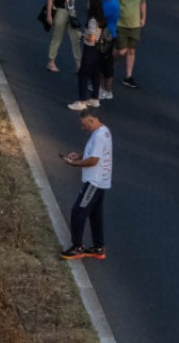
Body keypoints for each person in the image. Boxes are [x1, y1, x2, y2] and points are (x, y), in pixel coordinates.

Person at [60, 107, 112, 260]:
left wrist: (74, 164)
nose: (83, 128)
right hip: (101, 180)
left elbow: (93, 160)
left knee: (78, 211)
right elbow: (93, 152)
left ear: (92, 120)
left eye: (84, 125)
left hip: (94, 181)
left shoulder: (99, 137)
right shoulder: (103, 132)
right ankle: (98, 247)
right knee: (95, 214)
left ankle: (77, 247)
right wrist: (79, 155)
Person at [44, 0, 81, 74]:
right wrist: (49, 15)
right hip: (60, 11)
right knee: (57, 37)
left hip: (71, 11)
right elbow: (50, 0)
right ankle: (51, 61)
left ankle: (78, 64)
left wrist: (74, 13)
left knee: (75, 37)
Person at [114, 0, 146, 88]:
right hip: (120, 24)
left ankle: (128, 76)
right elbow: (112, 3)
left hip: (135, 25)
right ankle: (107, 64)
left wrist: (143, 18)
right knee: (122, 51)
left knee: (131, 50)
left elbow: (143, 3)